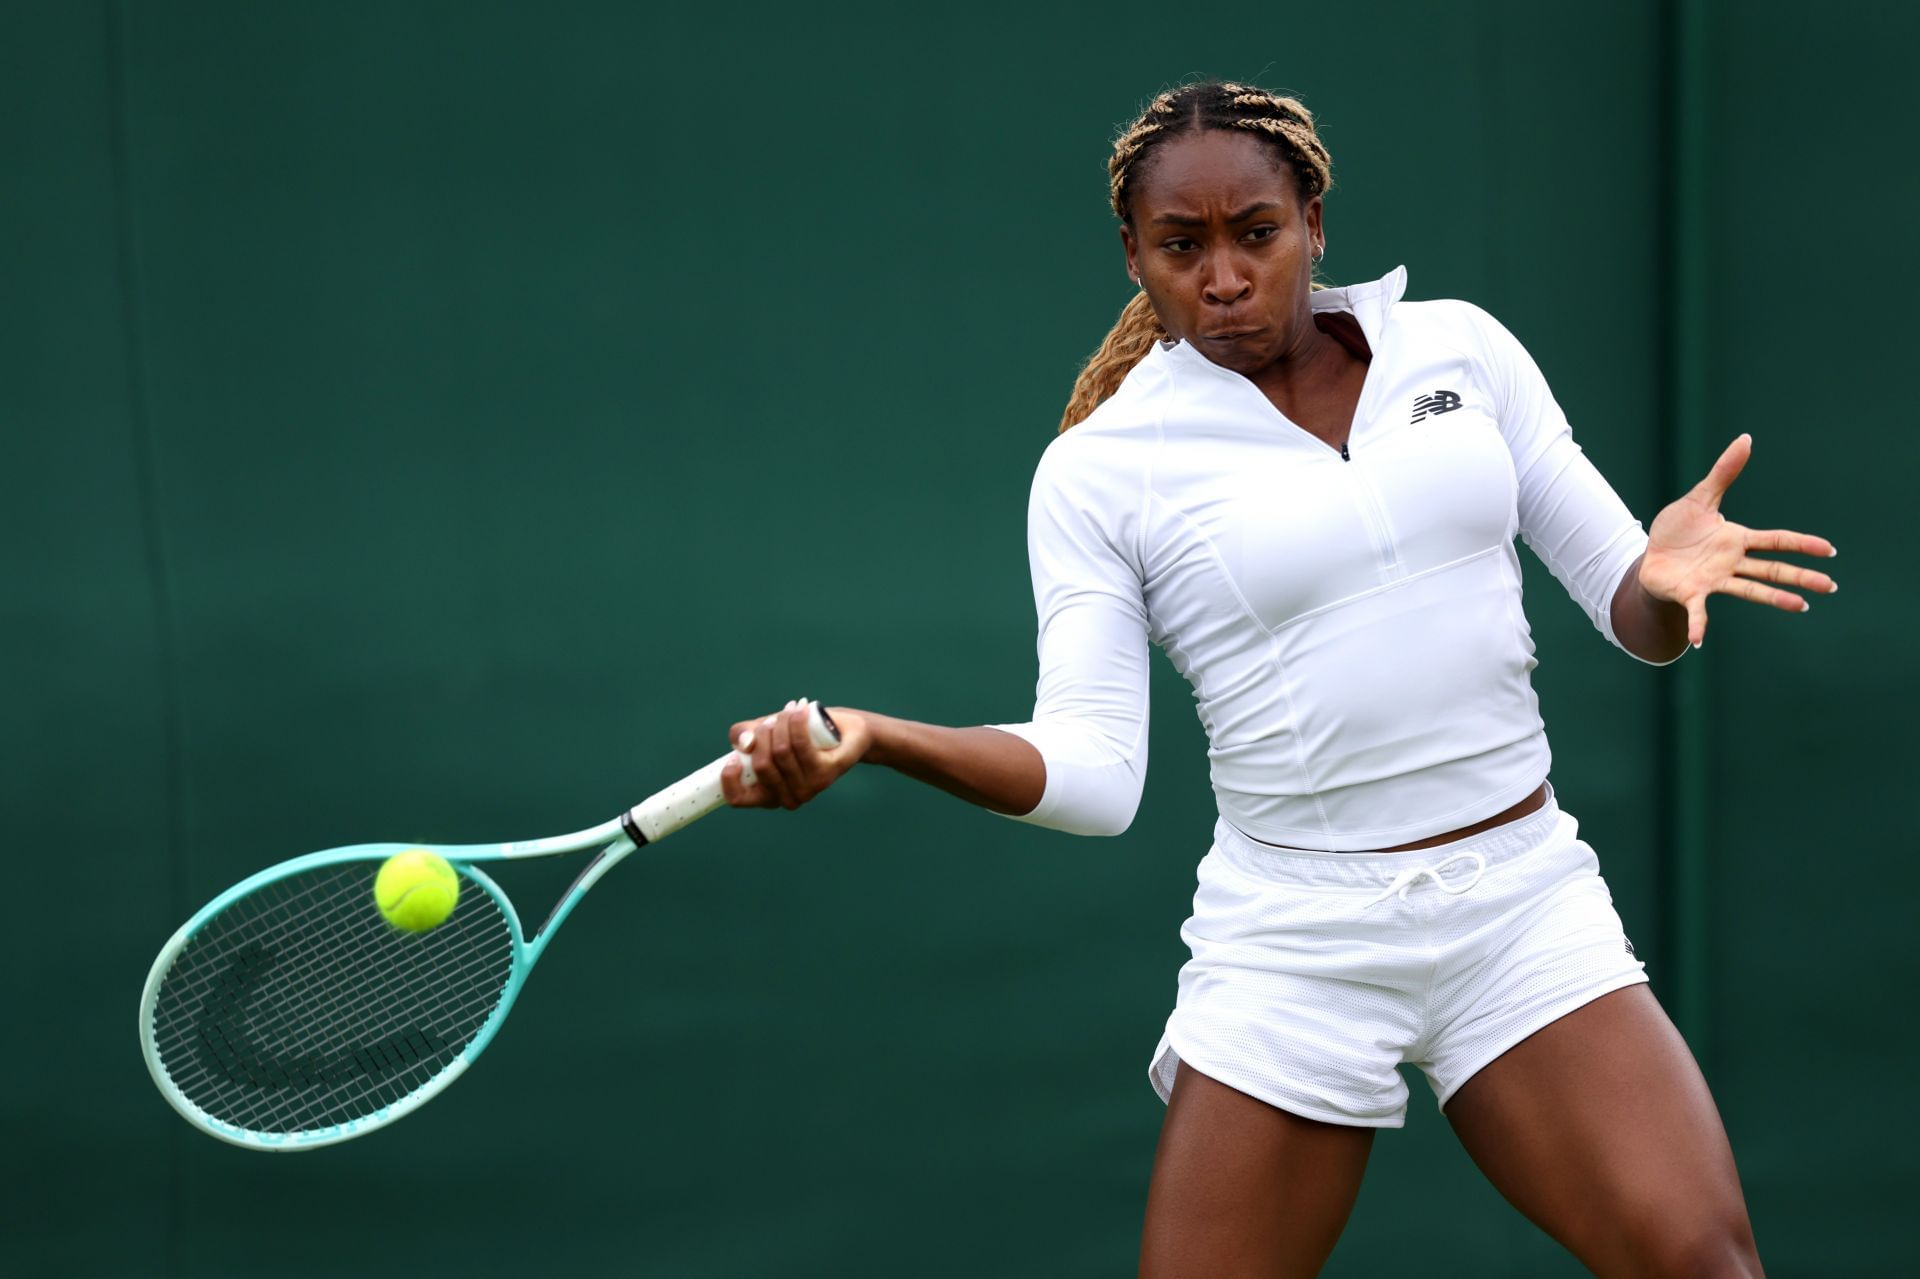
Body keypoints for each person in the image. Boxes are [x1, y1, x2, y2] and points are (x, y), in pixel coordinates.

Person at [718, 82, 1835, 1277]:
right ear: (1134, 258)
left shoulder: (1464, 349)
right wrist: (883, 736)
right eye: (1180, 246)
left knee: (1706, 1265)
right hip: (1299, 941)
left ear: (1312, 217)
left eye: (1256, 232)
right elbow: (1095, 775)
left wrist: (1660, 588)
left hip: (1521, 904)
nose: (1224, 276)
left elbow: (1636, 615)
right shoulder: (1100, 473)